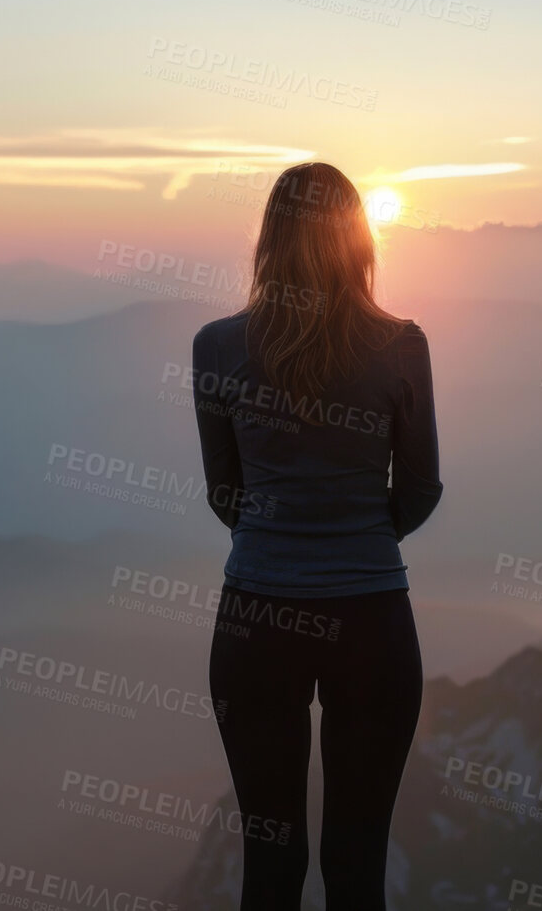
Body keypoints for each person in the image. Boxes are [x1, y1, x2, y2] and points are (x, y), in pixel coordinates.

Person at [191, 161, 443, 910]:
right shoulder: (402, 345)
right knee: (356, 864)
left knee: (269, 867)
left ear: (270, 239)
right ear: (358, 238)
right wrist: (359, 538)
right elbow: (422, 488)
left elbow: (223, 491)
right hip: (372, 620)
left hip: (255, 620)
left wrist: (280, 538)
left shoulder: (216, 347)